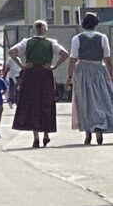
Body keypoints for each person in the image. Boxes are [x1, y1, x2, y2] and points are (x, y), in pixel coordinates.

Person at [66, 11, 113, 145]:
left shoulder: (77, 39)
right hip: (99, 69)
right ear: (96, 24)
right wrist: (110, 75)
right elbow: (107, 58)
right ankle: (99, 126)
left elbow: (72, 59)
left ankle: (88, 132)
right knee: (100, 99)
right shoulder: (102, 38)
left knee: (85, 101)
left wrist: (69, 77)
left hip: (82, 70)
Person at [10, 19, 69, 148]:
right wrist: (54, 66)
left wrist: (22, 65)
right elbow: (65, 54)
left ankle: (36, 137)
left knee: (33, 104)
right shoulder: (51, 43)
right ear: (45, 30)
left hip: (30, 74)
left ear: (34, 30)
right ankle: (46, 133)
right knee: (46, 103)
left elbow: (12, 52)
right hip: (45, 74)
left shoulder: (26, 42)